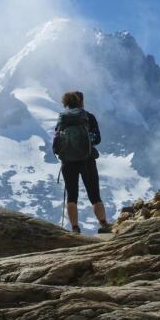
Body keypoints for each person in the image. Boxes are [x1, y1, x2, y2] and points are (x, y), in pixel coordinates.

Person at [54, 91, 111, 234]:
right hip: (87, 160)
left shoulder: (62, 119)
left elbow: (56, 141)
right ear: (81, 102)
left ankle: (74, 228)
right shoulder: (88, 117)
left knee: (72, 195)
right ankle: (104, 224)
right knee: (94, 194)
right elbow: (97, 139)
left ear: (65, 103)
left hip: (67, 162)